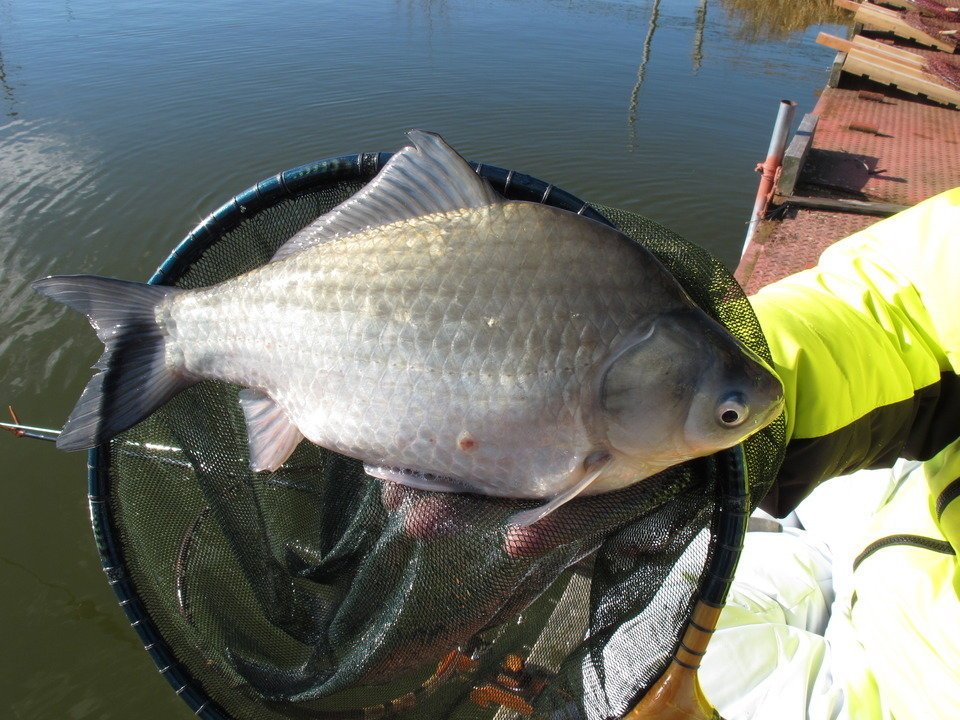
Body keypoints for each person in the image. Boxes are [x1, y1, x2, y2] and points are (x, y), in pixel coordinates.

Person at [698, 187, 960, 719]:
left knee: (645, 657)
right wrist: (723, 369)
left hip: (901, 689)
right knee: (676, 581)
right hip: (895, 511)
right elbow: (901, 305)